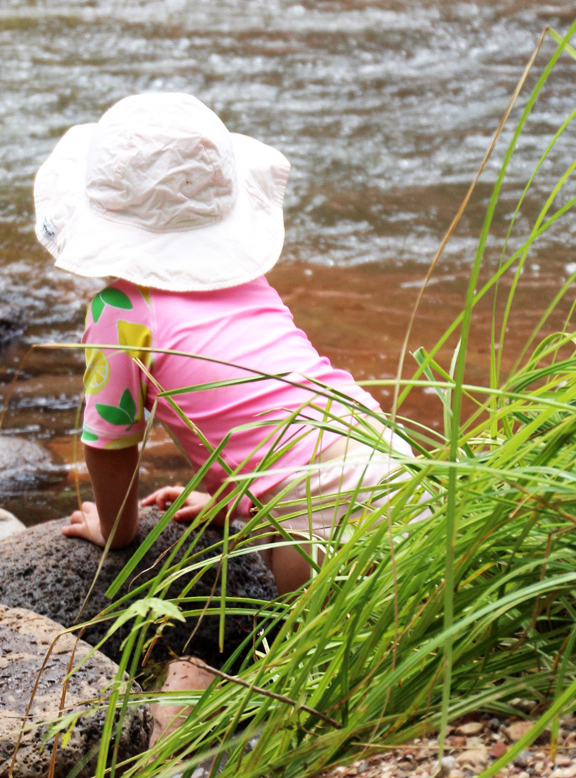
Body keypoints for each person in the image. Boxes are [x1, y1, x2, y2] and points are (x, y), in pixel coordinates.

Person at [33, 91, 411, 594]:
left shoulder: (118, 314)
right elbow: (269, 398)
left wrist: (117, 530)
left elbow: (110, 444)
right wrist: (235, 500)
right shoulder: (246, 282)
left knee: (305, 663)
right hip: (391, 462)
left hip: (325, 524)